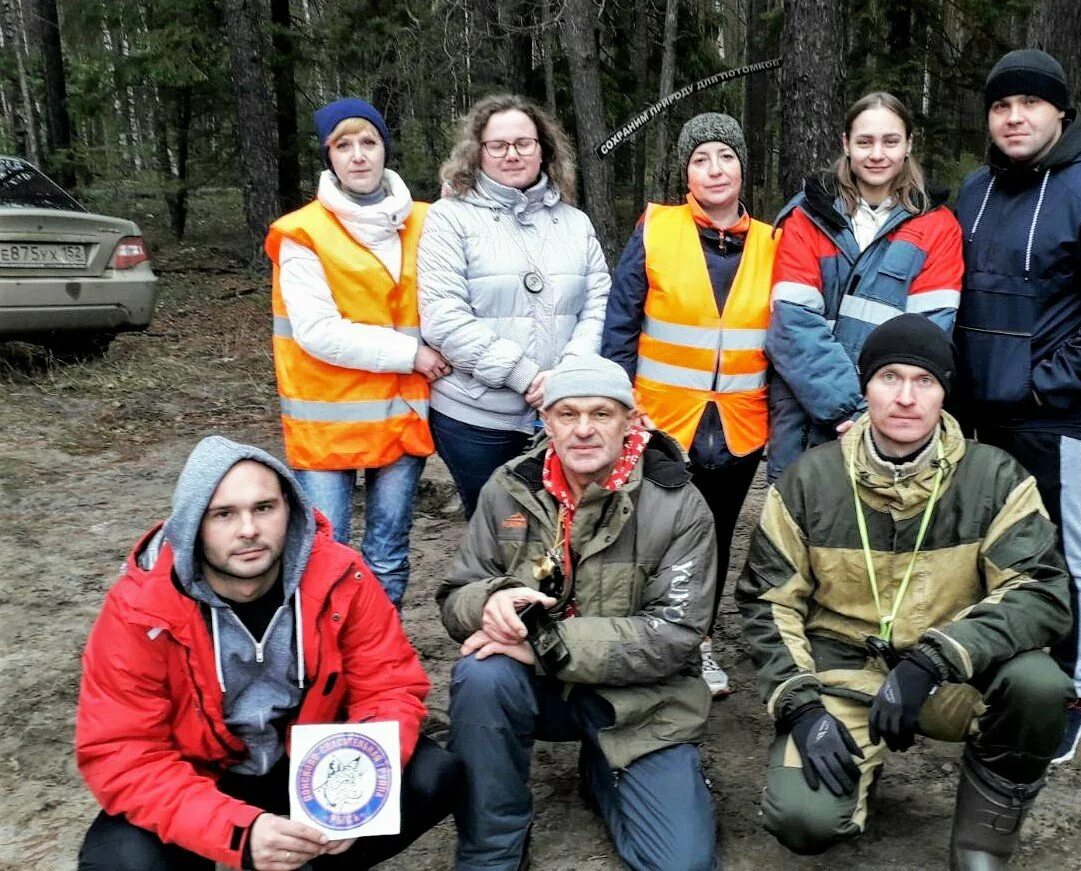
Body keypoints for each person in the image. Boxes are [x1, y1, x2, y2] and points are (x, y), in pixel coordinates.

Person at [736, 315, 1074, 869]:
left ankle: (983, 838)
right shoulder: (807, 481)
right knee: (802, 821)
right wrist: (800, 707)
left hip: (947, 676)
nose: (906, 398)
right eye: (889, 377)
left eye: (925, 381)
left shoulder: (995, 478)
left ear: (945, 392)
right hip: (843, 675)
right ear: (864, 385)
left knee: (1038, 685)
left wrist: (933, 660)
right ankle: (852, 772)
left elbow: (1040, 592)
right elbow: (767, 602)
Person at [75, 436, 462, 870]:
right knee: (121, 862)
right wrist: (237, 833)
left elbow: (388, 687)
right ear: (191, 526)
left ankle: (311, 863)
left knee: (434, 775)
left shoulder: (342, 576)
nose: (248, 530)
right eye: (223, 514)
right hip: (201, 775)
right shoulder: (140, 609)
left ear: (290, 509)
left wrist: (356, 788)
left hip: (309, 762)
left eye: (264, 508)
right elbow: (123, 751)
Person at [438, 354, 717, 871]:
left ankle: (603, 768)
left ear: (631, 421)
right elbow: (456, 594)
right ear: (546, 422)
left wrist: (543, 644)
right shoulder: (509, 488)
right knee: (480, 675)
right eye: (567, 414)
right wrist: (489, 601)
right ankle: (491, 849)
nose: (583, 430)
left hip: (641, 699)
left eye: (601, 414)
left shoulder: (679, 503)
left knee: (683, 864)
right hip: (539, 690)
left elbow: (676, 633)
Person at [953, 49, 1081, 762]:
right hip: (976, 417)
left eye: (1029, 105)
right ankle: (1001, 669)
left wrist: (1044, 384)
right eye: (1001, 106)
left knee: (1066, 555)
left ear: (1059, 113)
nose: (1014, 117)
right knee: (988, 550)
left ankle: (1070, 690)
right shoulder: (972, 193)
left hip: (1052, 418)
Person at [602, 112, 777, 697]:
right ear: (686, 172)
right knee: (650, 535)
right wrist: (622, 404)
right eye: (700, 158)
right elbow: (620, 323)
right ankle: (643, 642)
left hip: (737, 426)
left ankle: (697, 644)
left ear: (743, 167)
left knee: (716, 536)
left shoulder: (774, 243)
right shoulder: (657, 229)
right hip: (661, 422)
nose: (714, 169)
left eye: (725, 156)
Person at [265, 97, 443, 609]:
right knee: (328, 553)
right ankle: (325, 663)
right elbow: (318, 332)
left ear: (385, 148)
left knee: (388, 550)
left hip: (400, 415)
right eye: (343, 145)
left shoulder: (429, 221)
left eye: (369, 142)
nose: (359, 155)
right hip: (328, 423)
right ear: (329, 157)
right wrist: (413, 355)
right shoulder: (302, 232)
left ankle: (378, 662)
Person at [418, 93, 611, 519]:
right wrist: (524, 375)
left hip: (563, 414)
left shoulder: (574, 223)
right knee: (500, 534)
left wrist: (568, 374)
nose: (512, 155)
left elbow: (598, 304)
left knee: (566, 530)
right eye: (498, 145)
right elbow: (444, 317)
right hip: (477, 419)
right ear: (478, 152)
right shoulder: (449, 218)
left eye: (523, 143)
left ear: (543, 148)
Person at [766, 91, 964, 482]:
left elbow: (928, 335)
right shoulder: (807, 217)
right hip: (806, 418)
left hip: (892, 421)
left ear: (909, 144)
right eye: (864, 142)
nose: (877, 154)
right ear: (846, 144)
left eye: (890, 141)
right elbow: (792, 327)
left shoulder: (938, 228)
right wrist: (851, 411)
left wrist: (875, 411)